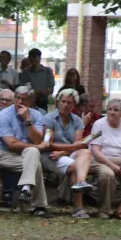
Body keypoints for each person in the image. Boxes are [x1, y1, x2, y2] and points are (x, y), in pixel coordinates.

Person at [0, 89, 50, 216]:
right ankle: (38, 205)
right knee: (35, 163)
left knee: (32, 154)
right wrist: (38, 147)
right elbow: (11, 144)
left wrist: (27, 120)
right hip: (2, 153)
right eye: (17, 98)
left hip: (25, 154)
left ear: (31, 101)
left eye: (24, 99)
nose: (19, 102)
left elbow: (37, 139)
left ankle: (26, 191)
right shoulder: (4, 115)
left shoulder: (36, 115)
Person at [39, 89, 95, 218]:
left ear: (74, 105)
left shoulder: (77, 120)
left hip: (66, 153)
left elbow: (78, 144)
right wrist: (62, 152)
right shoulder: (49, 118)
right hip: (51, 155)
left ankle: (81, 182)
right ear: (58, 102)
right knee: (76, 166)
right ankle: (78, 208)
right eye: (63, 101)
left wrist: (63, 152)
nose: (65, 105)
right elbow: (49, 144)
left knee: (85, 151)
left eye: (69, 102)